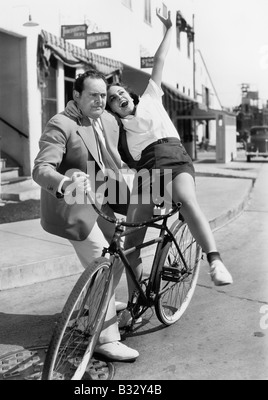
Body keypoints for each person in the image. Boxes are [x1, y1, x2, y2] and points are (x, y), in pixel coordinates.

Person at [66, 10, 233, 327]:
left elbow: (159, 60)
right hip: (147, 173)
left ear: (130, 94)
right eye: (113, 100)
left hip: (171, 156)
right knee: (132, 241)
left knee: (185, 200)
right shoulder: (121, 130)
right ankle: (134, 303)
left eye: (120, 94)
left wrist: (169, 29)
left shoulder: (152, 98)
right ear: (113, 109)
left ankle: (214, 260)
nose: (118, 99)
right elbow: (107, 149)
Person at [32, 70, 139, 361]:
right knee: (101, 259)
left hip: (101, 201)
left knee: (119, 250)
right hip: (73, 204)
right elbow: (41, 169)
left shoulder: (106, 120)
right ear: (76, 96)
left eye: (103, 95)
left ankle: (93, 309)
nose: (100, 100)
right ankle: (106, 338)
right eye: (93, 95)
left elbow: (116, 157)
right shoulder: (61, 124)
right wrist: (65, 183)